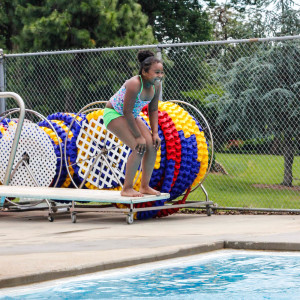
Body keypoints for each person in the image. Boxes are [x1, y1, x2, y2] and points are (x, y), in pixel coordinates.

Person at [103, 50, 163, 197]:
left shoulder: (156, 86)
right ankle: (127, 188)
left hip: (131, 116)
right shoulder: (134, 84)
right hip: (114, 113)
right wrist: (138, 136)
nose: (160, 76)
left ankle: (144, 186)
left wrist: (155, 133)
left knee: (152, 145)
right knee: (139, 146)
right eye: (156, 72)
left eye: (161, 72)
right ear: (144, 71)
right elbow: (127, 111)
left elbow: (153, 109)